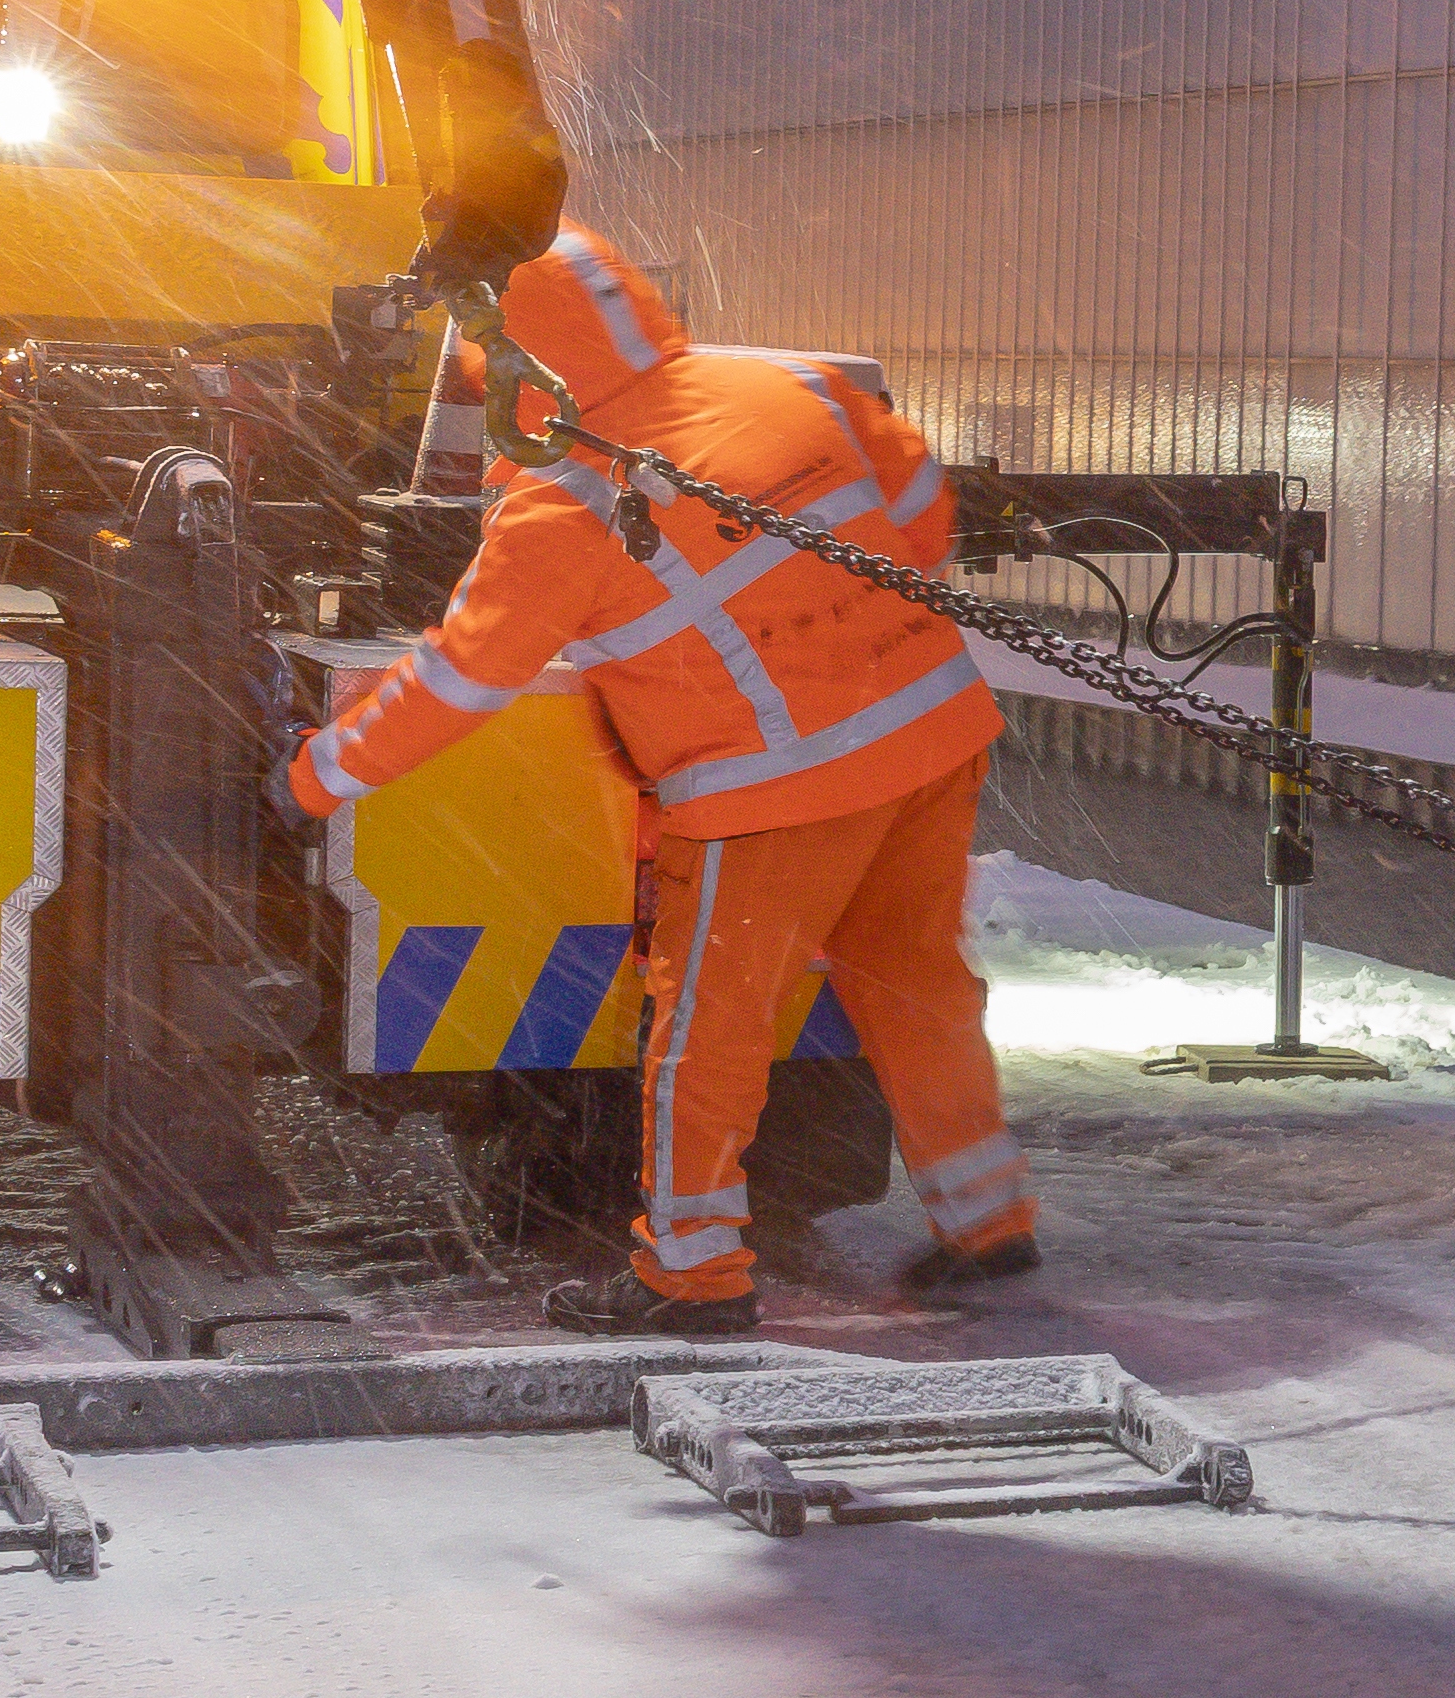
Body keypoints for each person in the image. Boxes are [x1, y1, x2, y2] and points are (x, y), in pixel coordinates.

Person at [282, 227, 1031, 1331]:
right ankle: (988, 1221)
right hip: (930, 737)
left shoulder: (566, 500)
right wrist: (834, 637)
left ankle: (691, 1277)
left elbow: (463, 676)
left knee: (704, 1030)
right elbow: (918, 510)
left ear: (518, 363)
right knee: (913, 977)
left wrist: (316, 774)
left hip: (774, 792)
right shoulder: (795, 382)